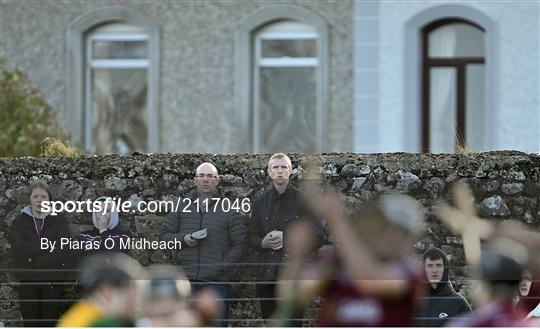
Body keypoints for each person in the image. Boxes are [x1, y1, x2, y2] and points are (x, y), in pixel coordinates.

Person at [285, 192, 425, 326]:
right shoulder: (336, 262)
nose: (392, 235)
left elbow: (371, 282)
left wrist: (336, 219)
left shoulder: (410, 272)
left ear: (411, 239)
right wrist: (297, 254)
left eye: (402, 232)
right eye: (386, 226)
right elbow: (293, 295)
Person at [161, 162, 246, 326]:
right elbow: (165, 237)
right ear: (195, 180)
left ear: (217, 180)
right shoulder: (181, 206)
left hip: (216, 283)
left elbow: (240, 244)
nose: (205, 180)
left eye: (210, 176)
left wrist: (222, 265)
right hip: (186, 282)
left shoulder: (229, 209)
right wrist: (183, 239)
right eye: (201, 176)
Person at [247, 153, 326, 324]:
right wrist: (262, 243)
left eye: (284, 167)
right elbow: (251, 237)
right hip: (267, 279)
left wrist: (289, 239)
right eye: (275, 167)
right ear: (269, 172)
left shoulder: (303, 200)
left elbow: (320, 236)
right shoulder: (260, 202)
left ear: (290, 171)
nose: (280, 171)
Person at [8, 180, 73, 327]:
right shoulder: (18, 222)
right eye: (35, 196)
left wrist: (33, 260)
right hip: (28, 281)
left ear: (49, 200)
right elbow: (18, 250)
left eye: (43, 197)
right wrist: (47, 243)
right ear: (29, 199)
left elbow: (63, 250)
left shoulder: (58, 220)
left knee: (49, 325)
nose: (39, 200)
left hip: (52, 281)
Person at [57, 252, 145, 327]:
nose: (137, 302)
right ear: (106, 292)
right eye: (131, 294)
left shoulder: (78, 317)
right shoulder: (103, 324)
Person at [414, 247, 472, 326]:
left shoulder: (458, 303)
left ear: (445, 269)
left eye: (438, 265)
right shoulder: (414, 301)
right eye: (430, 266)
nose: (434, 270)